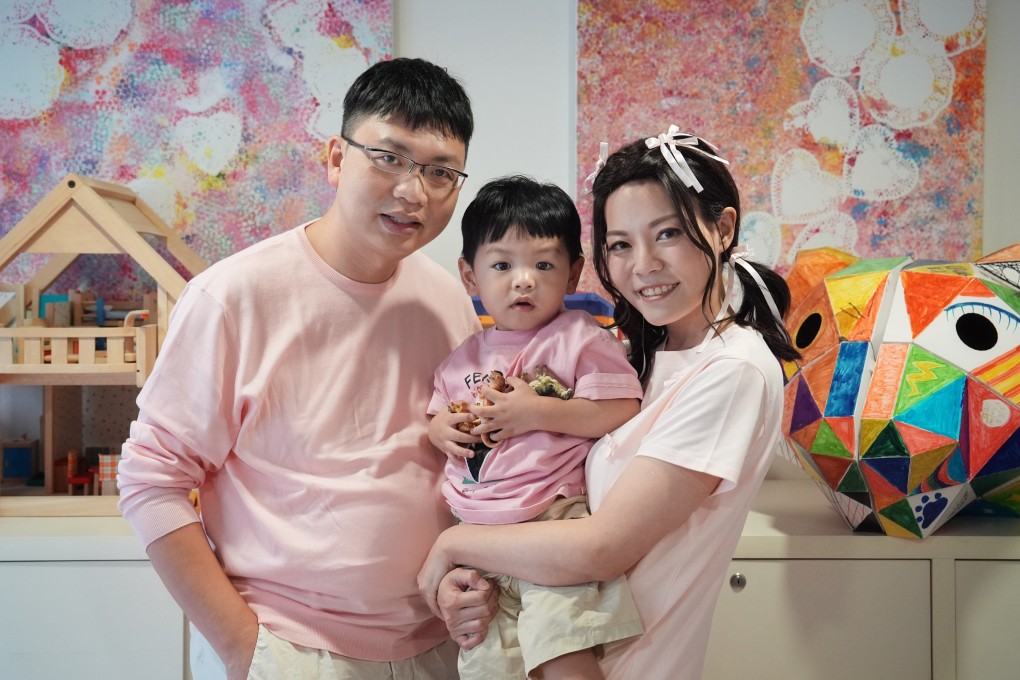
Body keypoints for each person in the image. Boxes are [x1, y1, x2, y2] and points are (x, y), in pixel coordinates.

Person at [117, 57, 493, 680]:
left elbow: (459, 458)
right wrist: (242, 647)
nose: (413, 191)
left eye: (440, 172)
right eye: (389, 158)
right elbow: (151, 481)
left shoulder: (447, 297)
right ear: (336, 159)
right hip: (289, 646)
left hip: (436, 642)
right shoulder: (233, 296)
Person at [419, 126, 801, 680]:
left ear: (722, 230)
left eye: (667, 233)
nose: (642, 264)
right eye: (621, 244)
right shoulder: (643, 352)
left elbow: (601, 548)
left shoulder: (733, 371)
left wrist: (453, 544)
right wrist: (477, 577)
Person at [427, 175, 644, 679]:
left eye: (543, 265)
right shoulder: (462, 357)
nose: (523, 279)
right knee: (489, 662)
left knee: (564, 648)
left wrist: (535, 412)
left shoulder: (577, 338)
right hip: (477, 540)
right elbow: (437, 417)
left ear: (572, 275)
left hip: (551, 526)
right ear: (470, 276)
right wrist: (439, 428)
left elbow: (619, 409)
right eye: (502, 264)